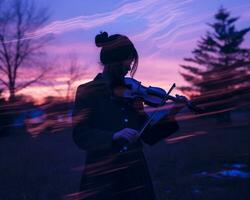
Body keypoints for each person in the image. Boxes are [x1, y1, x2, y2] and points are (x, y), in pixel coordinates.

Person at [72, 31, 185, 200]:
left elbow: (148, 136)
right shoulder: (87, 92)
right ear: (114, 61)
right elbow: (80, 134)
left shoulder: (132, 94)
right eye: (128, 62)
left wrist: (173, 112)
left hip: (135, 177)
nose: (130, 68)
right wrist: (113, 136)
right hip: (101, 179)